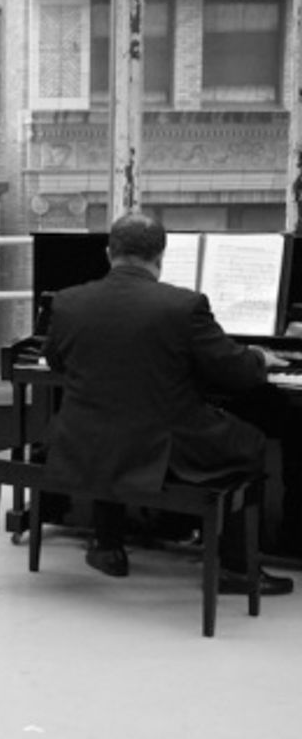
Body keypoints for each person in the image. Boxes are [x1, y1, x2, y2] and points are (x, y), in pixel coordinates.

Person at [41, 211, 293, 594]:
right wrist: (259, 358)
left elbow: (58, 362)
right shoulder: (184, 306)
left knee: (117, 419)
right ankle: (237, 569)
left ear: (109, 253)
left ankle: (109, 546)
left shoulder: (68, 302)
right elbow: (233, 370)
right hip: (160, 444)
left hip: (86, 438)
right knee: (251, 443)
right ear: (162, 255)